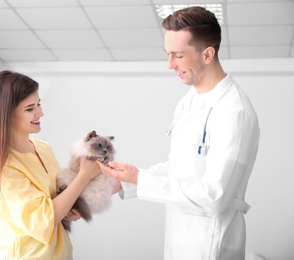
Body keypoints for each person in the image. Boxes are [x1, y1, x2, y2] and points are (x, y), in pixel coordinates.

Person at [98, 6, 260, 260]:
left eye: (178, 55)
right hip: (180, 238)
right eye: (168, 54)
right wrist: (129, 179)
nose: (170, 65)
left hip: (211, 244)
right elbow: (181, 167)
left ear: (207, 54)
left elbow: (215, 196)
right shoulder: (189, 100)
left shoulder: (234, 111)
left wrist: (141, 180)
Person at [0, 70, 101, 260]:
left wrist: (69, 210)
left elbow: (57, 198)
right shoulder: (2, 168)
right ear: (6, 114)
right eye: (29, 108)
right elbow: (44, 221)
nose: (40, 113)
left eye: (39, 104)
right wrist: (84, 175)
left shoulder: (43, 148)